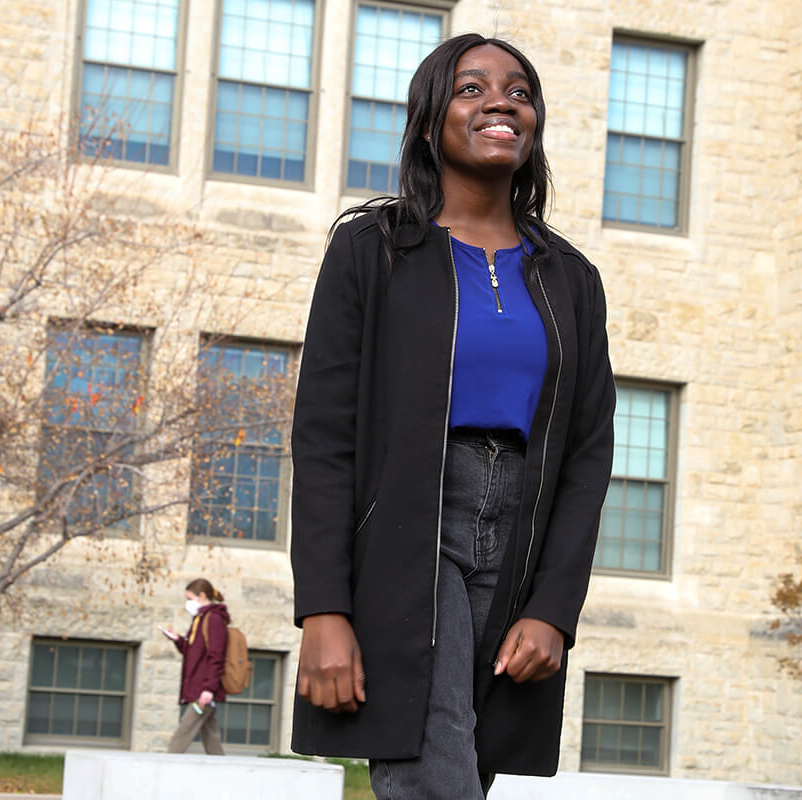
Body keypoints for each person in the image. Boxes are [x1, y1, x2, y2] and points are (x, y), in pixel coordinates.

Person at [289, 32, 616, 800]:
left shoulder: (571, 278)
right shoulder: (373, 252)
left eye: (519, 91)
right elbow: (325, 436)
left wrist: (554, 609)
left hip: (522, 536)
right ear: (429, 119)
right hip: (410, 524)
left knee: (464, 762)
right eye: (472, 89)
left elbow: (588, 454)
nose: (501, 101)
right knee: (432, 768)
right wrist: (323, 609)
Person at [162, 578, 228, 755]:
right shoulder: (200, 619)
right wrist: (177, 639)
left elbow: (216, 656)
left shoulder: (213, 619)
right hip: (200, 687)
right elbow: (193, 652)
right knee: (211, 738)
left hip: (204, 690)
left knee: (183, 733)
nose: (187, 603)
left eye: (189, 598)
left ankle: (164, 768)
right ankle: (223, 773)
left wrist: (209, 689)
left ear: (202, 596)